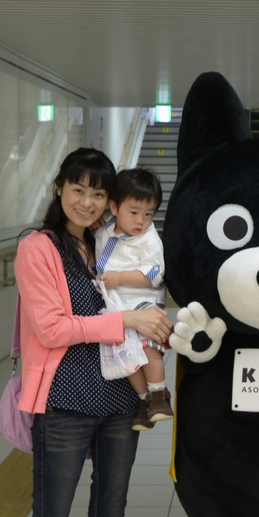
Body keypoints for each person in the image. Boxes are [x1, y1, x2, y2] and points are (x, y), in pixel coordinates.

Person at [0, 147, 174, 517]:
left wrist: (152, 323)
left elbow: (145, 287)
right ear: (60, 189)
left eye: (99, 193)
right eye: (79, 189)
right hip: (65, 403)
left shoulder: (107, 239)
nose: (88, 201)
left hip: (120, 400)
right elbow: (52, 328)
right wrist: (129, 321)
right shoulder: (39, 247)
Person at [94, 167, 172, 432]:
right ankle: (144, 400)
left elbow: (154, 273)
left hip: (143, 302)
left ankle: (159, 395)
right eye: (135, 212)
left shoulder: (148, 239)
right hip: (116, 306)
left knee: (147, 347)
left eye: (149, 214)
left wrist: (120, 277)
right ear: (114, 207)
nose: (142, 220)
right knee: (126, 357)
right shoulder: (104, 231)